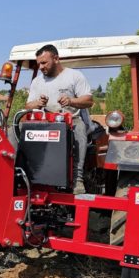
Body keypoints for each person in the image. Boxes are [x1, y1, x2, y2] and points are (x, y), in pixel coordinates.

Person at [25, 44, 93, 194]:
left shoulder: (74, 76)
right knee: (19, 130)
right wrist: (38, 103)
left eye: (44, 63)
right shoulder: (37, 81)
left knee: (80, 130)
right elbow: (28, 105)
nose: (41, 67)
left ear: (56, 58)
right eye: (38, 64)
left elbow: (89, 100)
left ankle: (78, 178)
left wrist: (71, 101)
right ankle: (22, 174)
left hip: (70, 120)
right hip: (45, 121)